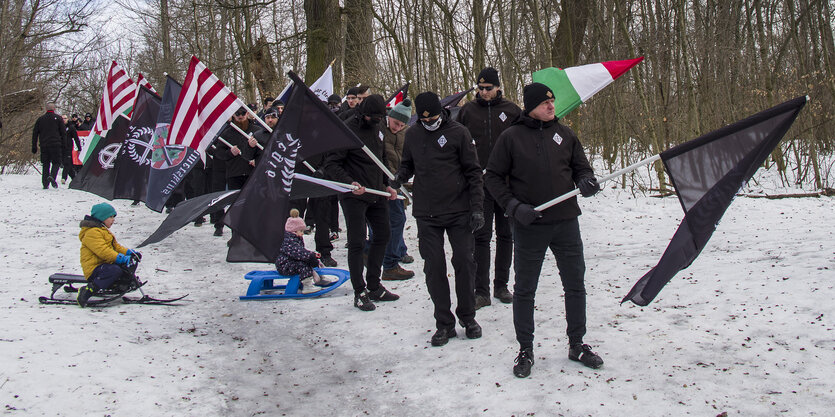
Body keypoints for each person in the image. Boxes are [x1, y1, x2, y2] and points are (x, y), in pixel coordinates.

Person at [484, 82, 604, 378]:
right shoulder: (511, 138)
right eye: (545, 102)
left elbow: (581, 169)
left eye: (552, 101)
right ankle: (525, 348)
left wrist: (587, 181)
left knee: (575, 284)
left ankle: (577, 343)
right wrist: (514, 207)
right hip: (530, 225)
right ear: (531, 106)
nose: (552, 106)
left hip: (566, 223)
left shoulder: (566, 135)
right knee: (525, 290)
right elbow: (494, 179)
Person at [390, 91, 484, 346]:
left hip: (459, 210)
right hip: (427, 212)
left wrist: (477, 207)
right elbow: (408, 164)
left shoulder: (459, 132)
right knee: (434, 267)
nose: (428, 123)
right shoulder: (413, 134)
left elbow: (474, 172)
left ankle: (467, 315)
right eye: (423, 119)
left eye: (432, 119)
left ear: (441, 113)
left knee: (464, 262)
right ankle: (444, 323)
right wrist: (400, 176)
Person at [324, 94, 399, 311]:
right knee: (357, 241)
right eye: (372, 118)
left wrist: (387, 183)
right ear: (363, 113)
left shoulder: (379, 127)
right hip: (353, 194)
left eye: (379, 118)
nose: (376, 121)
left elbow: (382, 157)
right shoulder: (347, 130)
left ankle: (374, 285)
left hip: (376, 191)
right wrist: (349, 182)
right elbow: (331, 163)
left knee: (383, 234)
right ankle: (359, 290)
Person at [457, 67, 522, 309]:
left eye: (488, 88)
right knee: (481, 237)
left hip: (506, 187)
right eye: (480, 88)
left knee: (506, 236)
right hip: (479, 186)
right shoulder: (467, 112)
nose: (484, 92)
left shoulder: (512, 111)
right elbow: (457, 146)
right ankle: (481, 290)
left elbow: (524, 143)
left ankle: (501, 285)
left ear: (497, 87)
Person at [76, 203, 139, 307]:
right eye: (110, 217)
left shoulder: (103, 230)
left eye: (113, 217)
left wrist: (129, 253)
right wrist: (120, 258)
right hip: (94, 269)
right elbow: (103, 251)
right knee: (114, 270)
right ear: (102, 217)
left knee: (125, 267)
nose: (113, 220)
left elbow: (116, 247)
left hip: (104, 265)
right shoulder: (92, 233)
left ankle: (120, 285)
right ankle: (88, 290)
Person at [379, 98, 415, 281]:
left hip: (399, 181)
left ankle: (399, 250)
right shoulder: (379, 129)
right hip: (383, 181)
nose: (397, 127)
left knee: (398, 217)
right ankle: (390, 261)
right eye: (395, 123)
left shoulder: (406, 133)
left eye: (401, 125)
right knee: (394, 219)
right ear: (389, 117)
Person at [276, 209, 335, 294]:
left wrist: (313, 254)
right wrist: (310, 256)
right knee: (303, 265)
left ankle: (319, 277)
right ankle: (307, 286)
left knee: (310, 261)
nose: (302, 233)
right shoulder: (289, 241)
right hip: (284, 264)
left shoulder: (295, 238)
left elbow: (301, 251)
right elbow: (298, 252)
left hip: (291, 262)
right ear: (294, 231)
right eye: (301, 231)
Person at [31, 102, 66, 189]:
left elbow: (35, 133)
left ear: (46, 109)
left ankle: (45, 183)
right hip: (56, 144)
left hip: (44, 145)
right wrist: (64, 145)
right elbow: (63, 133)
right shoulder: (58, 118)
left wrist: (34, 146)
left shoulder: (40, 119)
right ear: (54, 109)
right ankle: (52, 176)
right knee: (56, 162)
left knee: (45, 163)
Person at [60, 114, 82, 184]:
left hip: (68, 147)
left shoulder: (71, 127)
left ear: (67, 119)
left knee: (67, 162)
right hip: (60, 147)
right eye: (62, 119)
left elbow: (76, 138)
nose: (63, 120)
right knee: (66, 163)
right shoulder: (58, 127)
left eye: (65, 118)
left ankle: (64, 177)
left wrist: (79, 148)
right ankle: (74, 177)